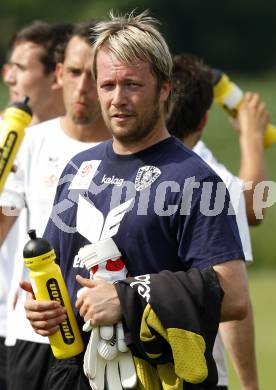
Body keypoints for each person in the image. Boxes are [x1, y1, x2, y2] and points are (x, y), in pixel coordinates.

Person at [22, 10, 249, 390]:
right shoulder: (79, 168)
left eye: (132, 85)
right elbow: (59, 274)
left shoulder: (194, 178)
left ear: (164, 88)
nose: (117, 99)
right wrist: (44, 310)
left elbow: (235, 295)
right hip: (79, 375)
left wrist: (128, 300)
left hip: (159, 377)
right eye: (107, 85)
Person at [0, 21, 110, 390]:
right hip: (33, 334)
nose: (82, 88)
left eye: (95, 76)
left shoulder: (129, 151)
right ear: (60, 73)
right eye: (75, 72)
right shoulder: (30, 142)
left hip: (105, 336)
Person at [166, 53, 269, 390]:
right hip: (195, 372)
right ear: (204, 120)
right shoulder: (211, 183)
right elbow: (228, 295)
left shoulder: (117, 161)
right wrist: (251, 138)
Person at [0, 20, 73, 390]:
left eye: (22, 68)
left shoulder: (105, 144)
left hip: (67, 327)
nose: (9, 78)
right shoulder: (14, 138)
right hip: (19, 328)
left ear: (56, 76)